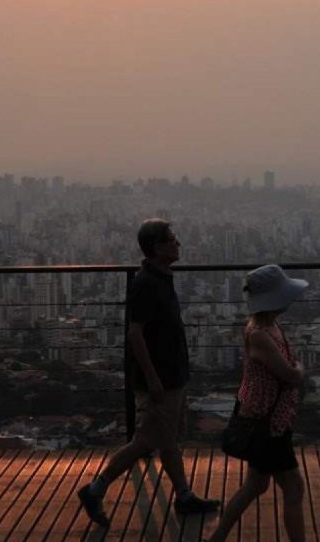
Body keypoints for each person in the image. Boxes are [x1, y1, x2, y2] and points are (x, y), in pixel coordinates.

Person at [77, 219, 221, 526]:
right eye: (172, 239)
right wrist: (153, 378)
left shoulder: (162, 276)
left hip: (171, 374)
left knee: (167, 440)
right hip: (161, 379)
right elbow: (135, 334)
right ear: (157, 248)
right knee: (145, 441)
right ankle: (96, 488)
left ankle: (183, 496)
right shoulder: (146, 283)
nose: (178, 243)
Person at [206, 264, 308, 542]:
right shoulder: (260, 334)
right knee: (293, 487)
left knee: (256, 485)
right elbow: (289, 374)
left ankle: (217, 537)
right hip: (270, 424)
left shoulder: (267, 325)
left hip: (268, 418)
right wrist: (299, 368)